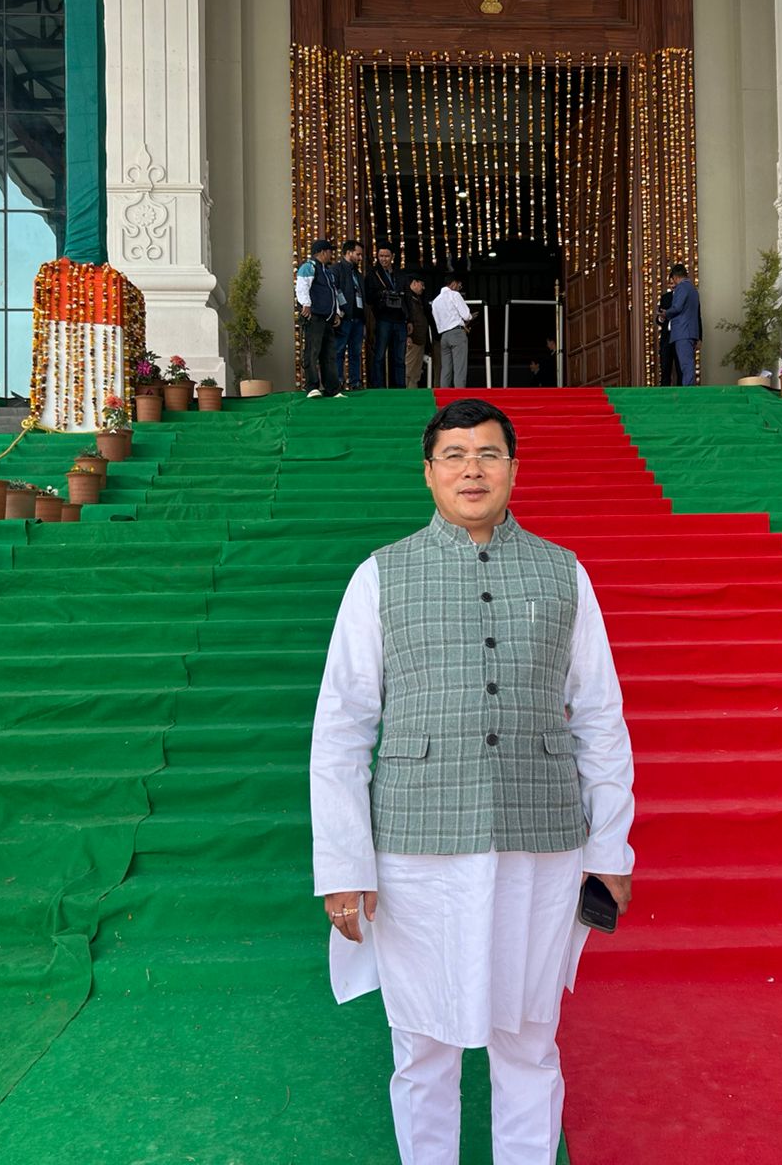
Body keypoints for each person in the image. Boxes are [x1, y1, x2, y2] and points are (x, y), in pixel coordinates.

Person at [311, 397, 634, 1163]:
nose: (472, 470)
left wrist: (610, 850)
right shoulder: (380, 576)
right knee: (422, 1042)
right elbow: (343, 725)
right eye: (454, 456)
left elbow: (599, 715)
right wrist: (346, 865)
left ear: (513, 469)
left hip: (540, 843)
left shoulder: (563, 572)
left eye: (488, 454)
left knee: (529, 1037)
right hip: (417, 847)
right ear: (428, 473)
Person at [296, 239, 343, 398]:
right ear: (323, 252)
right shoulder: (309, 267)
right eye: (330, 251)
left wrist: (336, 312)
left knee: (329, 354)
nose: (331, 254)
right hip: (315, 317)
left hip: (327, 318)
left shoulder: (328, 271)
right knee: (312, 351)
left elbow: (334, 293)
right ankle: (312, 387)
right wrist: (306, 304)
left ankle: (332, 389)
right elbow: (302, 286)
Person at [366, 246, 409, 389]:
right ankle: (378, 387)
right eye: (381, 256)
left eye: (386, 256)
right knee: (379, 355)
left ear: (392, 256)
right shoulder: (373, 274)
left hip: (400, 319)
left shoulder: (400, 274)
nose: (383, 259)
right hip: (383, 318)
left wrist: (409, 319)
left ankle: (400, 387)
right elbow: (368, 297)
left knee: (400, 357)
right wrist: (382, 294)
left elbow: (408, 297)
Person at [336, 239, 368, 389]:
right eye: (358, 254)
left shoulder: (358, 274)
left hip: (358, 318)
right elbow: (336, 292)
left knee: (356, 352)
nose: (360, 258)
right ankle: (338, 381)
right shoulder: (337, 269)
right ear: (349, 253)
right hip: (344, 318)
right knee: (339, 351)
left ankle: (355, 382)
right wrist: (341, 311)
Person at [433, 275, 473, 388]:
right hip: (457, 334)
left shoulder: (435, 301)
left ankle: (444, 395)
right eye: (459, 285)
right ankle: (459, 396)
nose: (459, 288)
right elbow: (466, 315)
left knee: (446, 370)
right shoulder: (454, 295)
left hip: (444, 336)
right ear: (454, 283)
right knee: (459, 369)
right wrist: (470, 317)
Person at [664, 263, 701, 387]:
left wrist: (665, 313)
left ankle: (688, 391)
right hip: (691, 331)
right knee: (688, 363)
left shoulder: (681, 288)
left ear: (675, 277)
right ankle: (689, 388)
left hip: (682, 331)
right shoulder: (693, 289)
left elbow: (677, 307)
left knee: (686, 364)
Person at [403, 275, 434, 388]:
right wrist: (408, 336)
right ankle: (406, 394)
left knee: (416, 374)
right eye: (422, 284)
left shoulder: (417, 299)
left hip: (420, 339)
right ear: (414, 283)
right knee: (408, 370)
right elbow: (405, 318)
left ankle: (413, 394)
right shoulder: (407, 299)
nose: (423, 288)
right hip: (412, 339)